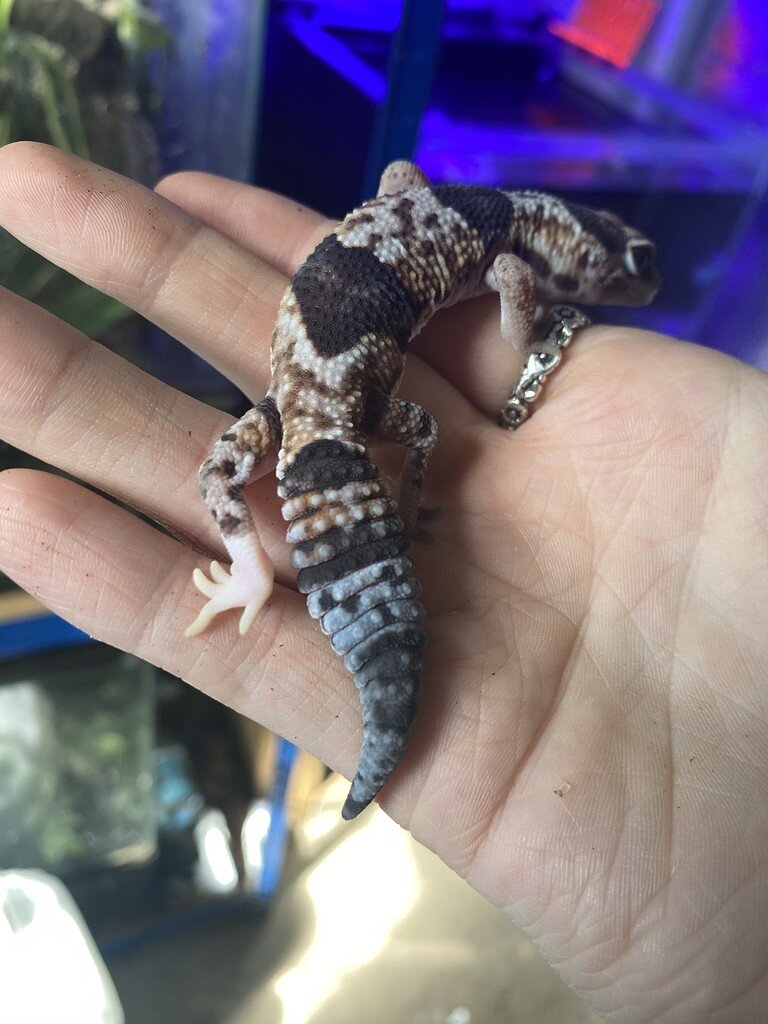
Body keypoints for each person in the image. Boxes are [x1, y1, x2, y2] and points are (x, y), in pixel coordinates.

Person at [0, 141, 765, 1022]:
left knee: (224, 472)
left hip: (303, 394)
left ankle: (255, 560)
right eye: (613, 279)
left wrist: (389, 234)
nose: (618, 293)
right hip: (335, 399)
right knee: (423, 436)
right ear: (569, 258)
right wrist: (550, 332)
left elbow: (400, 173)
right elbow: (518, 314)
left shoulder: (454, 205)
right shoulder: (513, 264)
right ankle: (296, 558)